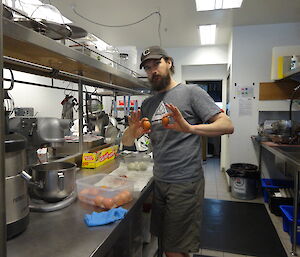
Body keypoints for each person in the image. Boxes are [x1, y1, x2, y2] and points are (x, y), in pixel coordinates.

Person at [122, 46, 234, 257]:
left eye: (156, 64)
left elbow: (227, 125)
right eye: (147, 67)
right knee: (165, 241)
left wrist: (191, 128)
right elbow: (127, 141)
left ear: (169, 63)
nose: (152, 70)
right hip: (160, 181)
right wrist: (131, 131)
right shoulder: (148, 103)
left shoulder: (191, 93)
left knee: (176, 249)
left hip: (185, 183)